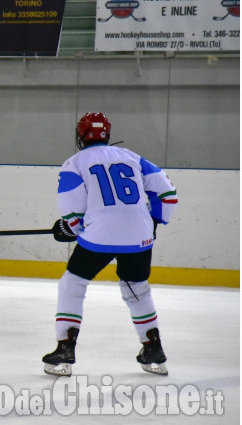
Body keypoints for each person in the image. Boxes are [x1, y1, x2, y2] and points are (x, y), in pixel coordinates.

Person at [43, 112, 178, 377]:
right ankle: (153, 347)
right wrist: (154, 222)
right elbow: (167, 193)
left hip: (100, 236)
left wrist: (69, 228)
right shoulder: (132, 157)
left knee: (73, 283)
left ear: (80, 136)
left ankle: (65, 347)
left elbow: (72, 211)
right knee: (137, 289)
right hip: (139, 236)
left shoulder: (74, 163)